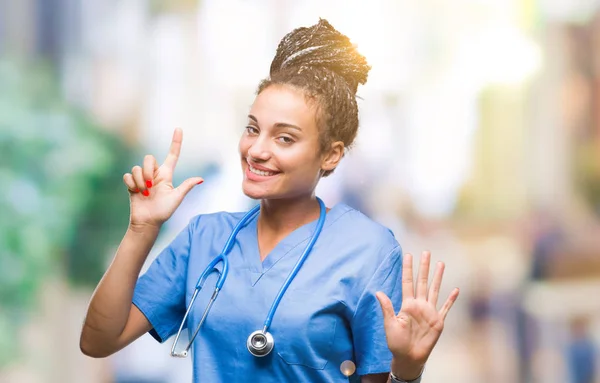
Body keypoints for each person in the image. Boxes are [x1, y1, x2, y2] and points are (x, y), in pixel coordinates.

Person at [79, 19, 459, 383]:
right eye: (252, 129)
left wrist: (407, 370)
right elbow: (98, 340)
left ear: (331, 155)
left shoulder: (368, 251)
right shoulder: (204, 238)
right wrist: (141, 230)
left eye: (285, 138)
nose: (256, 150)